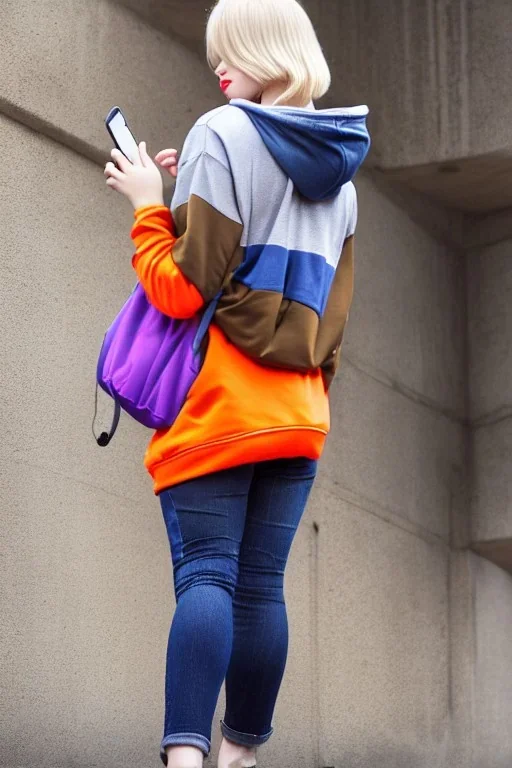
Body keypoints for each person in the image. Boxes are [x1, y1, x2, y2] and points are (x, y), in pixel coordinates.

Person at [103, 0, 370, 765]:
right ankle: (239, 756)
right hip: (300, 415)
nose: (219, 66)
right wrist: (190, 201)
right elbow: (326, 319)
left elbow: (185, 291)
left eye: (233, 50)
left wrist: (150, 210)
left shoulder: (221, 131)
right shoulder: (344, 176)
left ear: (268, 47)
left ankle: (185, 758)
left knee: (209, 579)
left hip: (223, 404)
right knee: (261, 587)